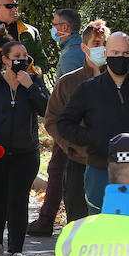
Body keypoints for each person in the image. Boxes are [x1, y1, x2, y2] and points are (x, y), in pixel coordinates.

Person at [57, 31, 129, 213]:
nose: (120, 58)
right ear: (106, 55)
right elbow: (64, 124)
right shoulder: (88, 89)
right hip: (99, 169)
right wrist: (93, 138)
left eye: (125, 54)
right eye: (115, 53)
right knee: (100, 226)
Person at [0, 40, 49, 256]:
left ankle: (17, 251)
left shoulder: (34, 82)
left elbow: (46, 110)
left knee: (18, 201)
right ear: (5, 59)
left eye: (25, 56)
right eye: (16, 56)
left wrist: (30, 86)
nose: (21, 60)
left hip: (25, 152)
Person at [44, 20, 111, 224]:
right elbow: (51, 120)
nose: (101, 49)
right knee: (78, 222)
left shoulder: (121, 80)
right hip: (78, 161)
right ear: (84, 47)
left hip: (113, 163)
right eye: (96, 44)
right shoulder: (68, 82)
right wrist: (71, 147)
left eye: (104, 44)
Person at [28, 8, 86, 235]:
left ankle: (46, 220)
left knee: (57, 168)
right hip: (72, 122)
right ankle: (48, 218)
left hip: (70, 123)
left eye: (55, 24)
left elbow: (72, 92)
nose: (52, 28)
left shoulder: (72, 53)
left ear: (64, 28)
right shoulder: (72, 48)